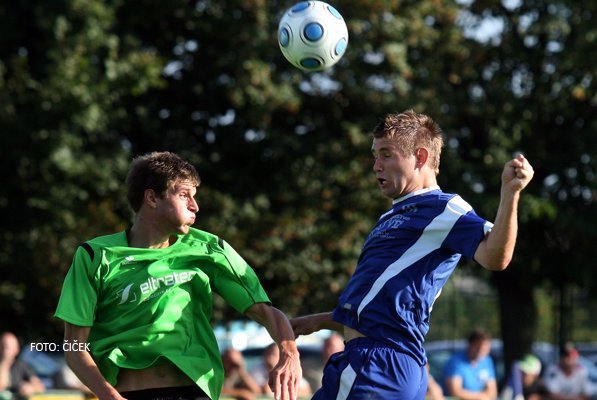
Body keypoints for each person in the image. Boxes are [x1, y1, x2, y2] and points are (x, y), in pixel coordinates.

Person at [290, 110, 534, 399]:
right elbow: (380, 305)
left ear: (420, 157)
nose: (376, 166)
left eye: (386, 155)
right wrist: (316, 321)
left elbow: (495, 257)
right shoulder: (390, 217)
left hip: (379, 365)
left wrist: (510, 194)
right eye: (375, 155)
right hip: (368, 360)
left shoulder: (444, 208)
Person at [54, 151, 302, 400]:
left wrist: (290, 354)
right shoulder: (94, 256)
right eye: (184, 195)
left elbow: (266, 312)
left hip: (194, 393)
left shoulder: (210, 249)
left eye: (194, 196)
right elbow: (74, 347)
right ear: (152, 198)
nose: (195, 206)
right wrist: (109, 397)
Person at [443, 329, 497, 399]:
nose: (482, 349)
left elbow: (492, 392)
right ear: (470, 344)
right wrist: (479, 397)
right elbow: (455, 391)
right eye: (479, 345)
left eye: (486, 346)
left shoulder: (487, 361)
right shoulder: (456, 362)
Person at [0, 331, 45, 398]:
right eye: (2, 347)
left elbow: (40, 386)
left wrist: (30, 388)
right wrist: (4, 363)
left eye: (7, 347)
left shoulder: (21, 366)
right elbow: (1, 386)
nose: (4, 351)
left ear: (16, 350)